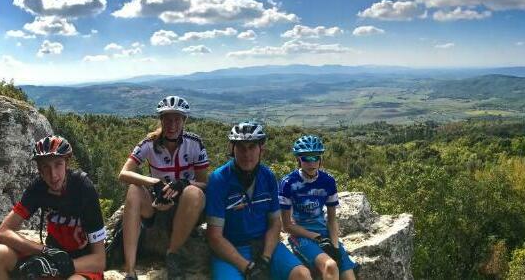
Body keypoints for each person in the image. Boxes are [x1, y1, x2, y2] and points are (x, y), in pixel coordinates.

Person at [117, 95, 209, 280]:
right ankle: (130, 270)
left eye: (177, 119)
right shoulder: (149, 143)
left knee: (194, 192)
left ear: (184, 120)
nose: (172, 124)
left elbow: (204, 183)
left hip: (186, 207)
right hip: (157, 205)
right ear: (161, 120)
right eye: (167, 119)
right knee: (134, 190)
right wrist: (154, 183)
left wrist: (184, 184)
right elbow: (124, 173)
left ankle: (172, 255)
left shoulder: (195, 144)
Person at [206, 121, 311, 280]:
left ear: (261, 149)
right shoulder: (219, 179)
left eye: (252, 147)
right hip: (231, 250)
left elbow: (275, 223)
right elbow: (214, 236)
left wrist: (265, 259)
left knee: (302, 275)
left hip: (265, 246)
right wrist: (247, 267)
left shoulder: (267, 177)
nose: (247, 154)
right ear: (232, 149)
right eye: (241, 148)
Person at [0, 135, 106, 280]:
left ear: (67, 163)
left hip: (81, 265)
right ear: (40, 170)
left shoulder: (83, 188)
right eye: (46, 167)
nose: (53, 175)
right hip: (50, 255)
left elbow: (99, 260)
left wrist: (58, 267)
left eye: (58, 164)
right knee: (0, 254)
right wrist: (43, 250)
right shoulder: (38, 187)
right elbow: (3, 231)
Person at [279, 135, 357, 280]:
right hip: (301, 236)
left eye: (315, 157)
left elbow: (332, 220)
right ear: (298, 160)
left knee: (349, 277)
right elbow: (287, 225)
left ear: (321, 159)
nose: (311, 163)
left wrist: (334, 246)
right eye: (306, 158)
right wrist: (317, 237)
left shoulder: (328, 181)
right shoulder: (288, 183)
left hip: (325, 233)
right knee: (330, 266)